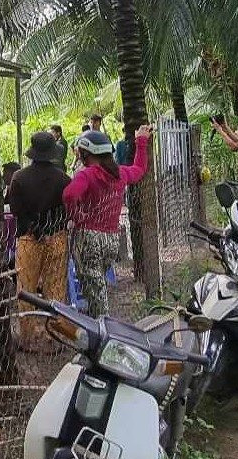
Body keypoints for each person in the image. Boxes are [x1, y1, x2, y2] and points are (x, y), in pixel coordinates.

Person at [64, 125, 153, 317]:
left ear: (86, 153)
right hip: (112, 239)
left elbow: (69, 195)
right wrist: (141, 141)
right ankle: (98, 320)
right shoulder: (119, 173)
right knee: (97, 284)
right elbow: (139, 169)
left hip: (89, 238)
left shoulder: (86, 174)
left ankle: (102, 329)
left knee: (94, 289)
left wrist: (77, 216)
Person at [7, 132, 72, 344]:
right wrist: (49, 229)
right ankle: (55, 335)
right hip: (56, 237)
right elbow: (67, 210)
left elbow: (17, 211)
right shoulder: (63, 179)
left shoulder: (18, 178)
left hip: (28, 239)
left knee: (26, 289)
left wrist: (35, 230)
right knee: (55, 288)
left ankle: (28, 335)